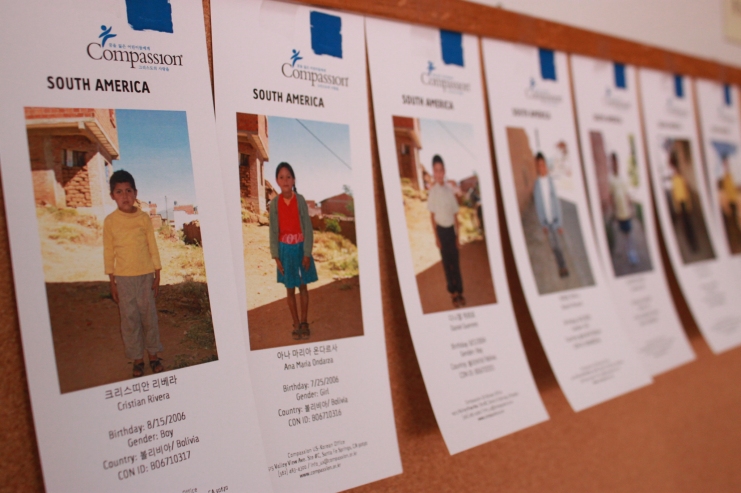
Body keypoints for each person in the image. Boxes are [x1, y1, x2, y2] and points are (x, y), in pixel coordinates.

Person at [104, 170, 163, 378]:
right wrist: (112, 281)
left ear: (135, 193)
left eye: (128, 191)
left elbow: (152, 245)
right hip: (123, 279)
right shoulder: (110, 221)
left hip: (145, 275)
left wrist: (157, 273)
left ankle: (153, 355)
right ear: (112, 195)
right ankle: (138, 359)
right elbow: (108, 252)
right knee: (129, 320)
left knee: (149, 317)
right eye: (119, 192)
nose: (125, 196)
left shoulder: (143, 218)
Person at [269, 162, 318, 340]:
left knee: (303, 286)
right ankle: (296, 323)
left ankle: (304, 322)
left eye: (288, 177)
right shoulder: (275, 204)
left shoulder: (300, 200)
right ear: (277, 181)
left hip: (301, 249)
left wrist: (306, 253)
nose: (285, 180)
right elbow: (273, 231)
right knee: (290, 289)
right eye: (281, 177)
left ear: (294, 180)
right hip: (285, 251)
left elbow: (308, 227)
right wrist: (276, 256)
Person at [427, 155, 465, 307]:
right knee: (447, 264)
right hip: (441, 232)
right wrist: (436, 237)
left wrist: (458, 236)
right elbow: (432, 216)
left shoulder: (450, 190)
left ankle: (460, 292)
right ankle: (453, 293)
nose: (439, 173)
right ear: (433, 172)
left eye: (441, 170)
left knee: (455, 263)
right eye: (436, 170)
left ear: (444, 171)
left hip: (451, 232)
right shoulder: (433, 192)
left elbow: (455, 215)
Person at [532, 152, 569, 278]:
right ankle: (561, 266)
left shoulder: (550, 181)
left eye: (543, 164)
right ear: (536, 167)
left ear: (546, 165)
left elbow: (556, 202)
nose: (541, 167)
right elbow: (538, 205)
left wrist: (560, 223)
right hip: (546, 222)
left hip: (555, 220)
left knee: (559, 244)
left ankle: (563, 265)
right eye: (539, 165)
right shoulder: (537, 185)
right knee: (553, 246)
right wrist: (542, 224)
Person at [609, 152, 639, 265]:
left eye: (616, 163)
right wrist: (614, 211)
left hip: (626, 212)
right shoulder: (611, 179)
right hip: (619, 213)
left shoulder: (623, 178)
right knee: (622, 234)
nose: (615, 165)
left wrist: (631, 208)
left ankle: (632, 254)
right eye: (613, 163)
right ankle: (625, 253)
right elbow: (611, 197)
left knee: (629, 234)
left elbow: (627, 195)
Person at [668, 152, 698, 252]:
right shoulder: (673, 179)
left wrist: (689, 204)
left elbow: (686, 191)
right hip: (680, 204)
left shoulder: (681, 177)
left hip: (685, 202)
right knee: (684, 225)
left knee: (690, 224)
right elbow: (674, 194)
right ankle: (691, 245)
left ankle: (694, 244)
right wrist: (677, 207)